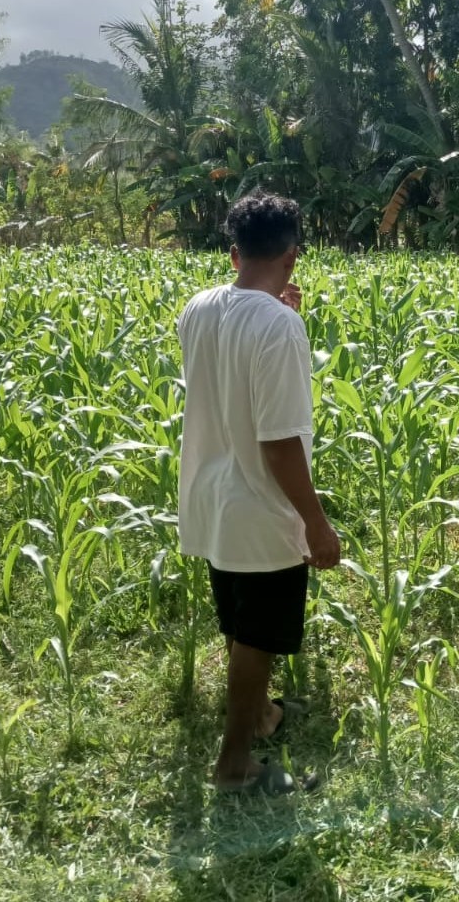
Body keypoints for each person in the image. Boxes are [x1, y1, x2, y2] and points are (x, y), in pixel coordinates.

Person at [177, 192, 341, 794]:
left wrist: (277, 309)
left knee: (242, 621)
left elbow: (229, 362)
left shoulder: (197, 308)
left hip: (212, 497)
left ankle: (263, 716)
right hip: (260, 506)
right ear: (292, 256)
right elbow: (278, 442)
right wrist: (316, 523)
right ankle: (235, 764)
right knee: (256, 636)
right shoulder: (279, 325)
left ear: (233, 252)